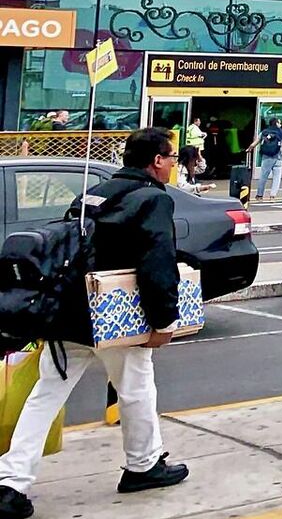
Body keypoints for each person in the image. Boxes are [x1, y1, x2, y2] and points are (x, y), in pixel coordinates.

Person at [0, 129, 191, 517]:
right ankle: (143, 466)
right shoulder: (154, 200)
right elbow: (158, 265)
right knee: (137, 388)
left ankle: (10, 484)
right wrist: (164, 321)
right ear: (156, 160)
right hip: (114, 314)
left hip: (70, 311)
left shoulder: (95, 193)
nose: (174, 163)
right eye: (171, 157)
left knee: (45, 396)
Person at [252, 118, 282, 202]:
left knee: (263, 176)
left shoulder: (264, 132)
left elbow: (256, 142)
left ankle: (259, 196)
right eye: (279, 123)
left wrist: (249, 148)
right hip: (279, 157)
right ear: (276, 123)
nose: (280, 124)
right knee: (277, 178)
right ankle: (272, 196)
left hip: (266, 157)